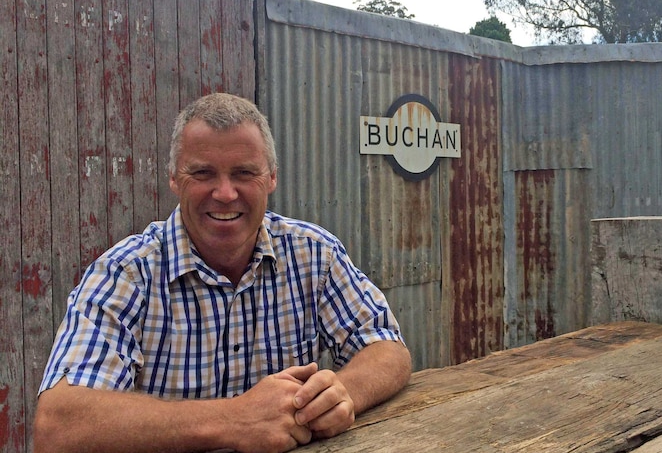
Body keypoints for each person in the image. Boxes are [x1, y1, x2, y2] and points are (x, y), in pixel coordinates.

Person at [34, 92, 412, 452]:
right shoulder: (127, 273)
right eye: (203, 173)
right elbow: (58, 427)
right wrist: (233, 419)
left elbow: (386, 347)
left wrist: (342, 392)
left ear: (272, 178)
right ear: (173, 178)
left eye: (244, 173)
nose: (226, 193)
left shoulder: (314, 253)